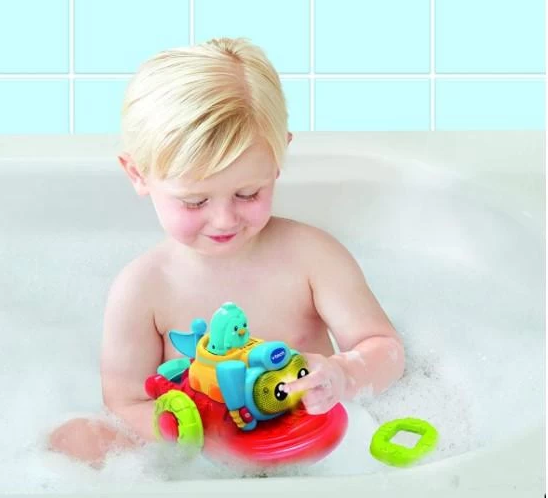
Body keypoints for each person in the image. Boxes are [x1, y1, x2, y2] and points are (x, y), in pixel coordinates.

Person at [49, 37, 404, 466]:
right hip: (205, 464)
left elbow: (384, 348)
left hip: (313, 451)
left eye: (247, 193)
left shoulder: (313, 257)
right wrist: (197, 435)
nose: (224, 220)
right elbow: (126, 403)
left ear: (277, 159)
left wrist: (344, 374)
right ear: (138, 174)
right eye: (195, 201)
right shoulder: (143, 288)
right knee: (72, 440)